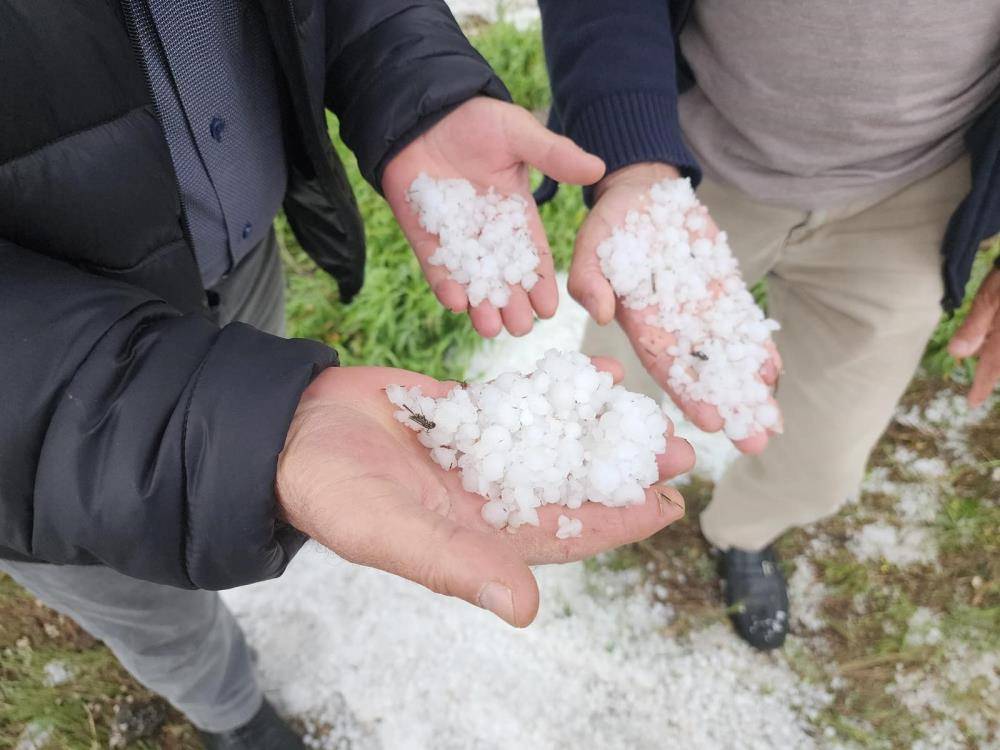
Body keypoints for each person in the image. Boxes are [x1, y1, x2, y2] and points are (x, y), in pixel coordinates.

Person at [0, 2, 694, 747]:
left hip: (237, 262)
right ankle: (230, 711)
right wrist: (223, 435)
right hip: (35, 403)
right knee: (141, 588)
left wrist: (416, 83)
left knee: (234, 485)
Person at [536, 0, 1000, 650]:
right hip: (690, 149)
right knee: (612, 381)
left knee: (820, 462)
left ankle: (743, 533)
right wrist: (634, 159)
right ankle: (587, 482)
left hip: (917, 197)